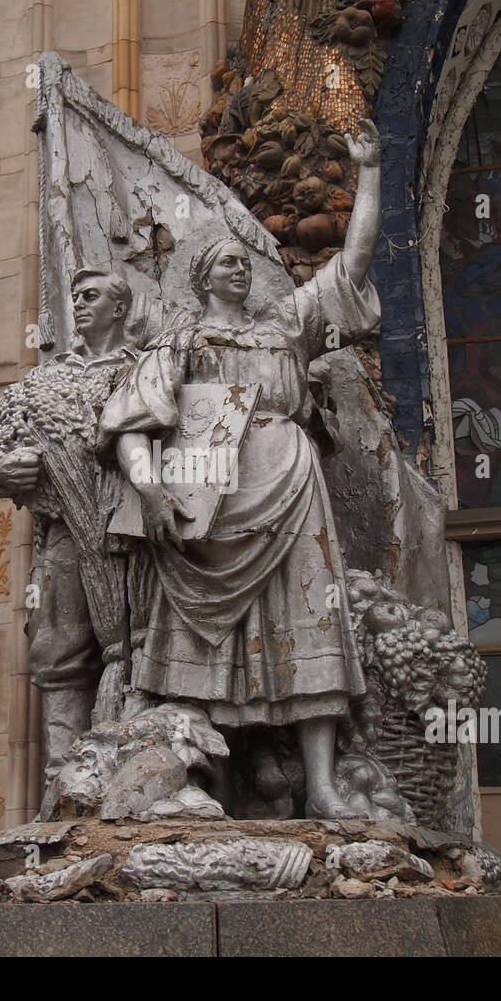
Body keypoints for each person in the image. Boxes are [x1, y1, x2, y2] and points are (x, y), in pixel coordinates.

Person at [97, 120, 384, 818]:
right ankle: (186, 781)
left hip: (291, 483)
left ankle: (320, 787)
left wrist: (370, 173)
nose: (239, 267)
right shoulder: (182, 338)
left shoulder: (287, 324)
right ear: (201, 277)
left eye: (242, 261)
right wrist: (150, 486)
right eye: (224, 260)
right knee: (199, 636)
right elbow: (132, 422)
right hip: (211, 502)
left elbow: (353, 265)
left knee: (313, 619)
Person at [0, 268, 138, 782]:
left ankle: (132, 761)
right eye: (75, 298)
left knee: (140, 641)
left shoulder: (147, 367)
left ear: (120, 308)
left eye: (92, 297)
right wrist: (0, 473)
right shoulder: (45, 379)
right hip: (66, 530)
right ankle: (64, 773)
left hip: (134, 529)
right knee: (58, 645)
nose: (80, 306)